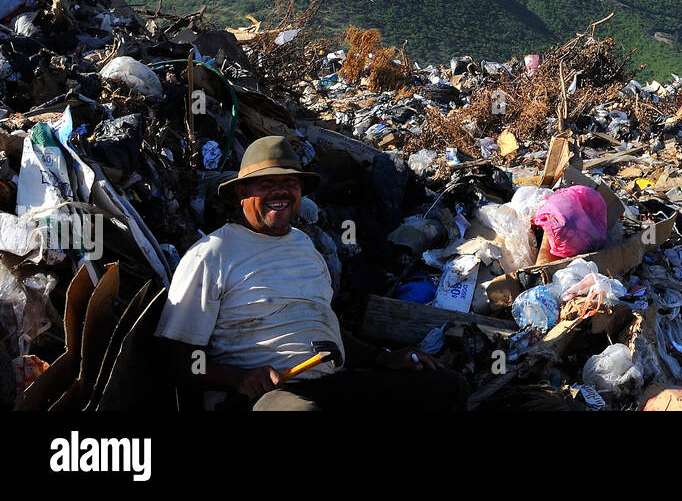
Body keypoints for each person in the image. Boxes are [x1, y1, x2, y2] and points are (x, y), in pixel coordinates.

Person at [155, 135, 467, 411]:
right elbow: (174, 360)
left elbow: (325, 328)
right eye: (267, 183)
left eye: (289, 183)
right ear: (241, 192)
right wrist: (238, 378)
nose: (281, 192)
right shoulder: (212, 254)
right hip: (262, 397)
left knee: (446, 386)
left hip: (330, 383)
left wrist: (383, 357)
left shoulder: (305, 246)